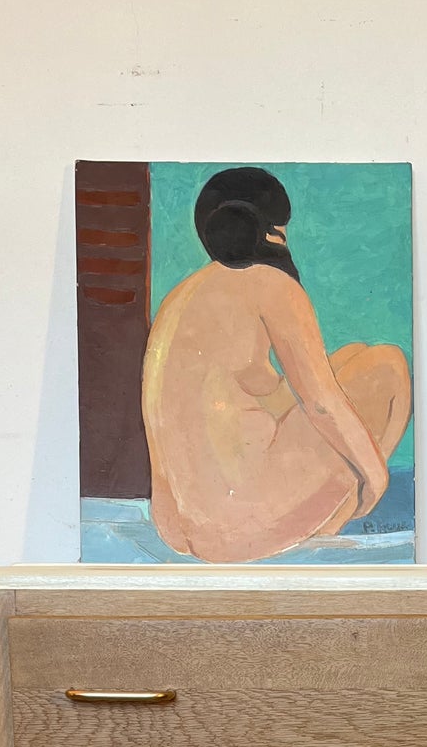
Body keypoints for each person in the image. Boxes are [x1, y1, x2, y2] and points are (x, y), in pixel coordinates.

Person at [142, 168, 411, 562]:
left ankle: (318, 509)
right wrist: (375, 474)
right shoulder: (272, 284)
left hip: (175, 525)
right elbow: (320, 403)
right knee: (387, 364)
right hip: (237, 526)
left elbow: (253, 388)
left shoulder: (182, 294)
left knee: (352, 355)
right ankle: (344, 511)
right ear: (270, 231)